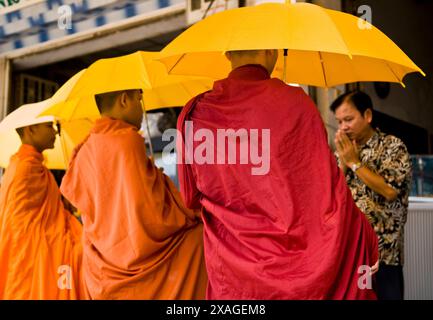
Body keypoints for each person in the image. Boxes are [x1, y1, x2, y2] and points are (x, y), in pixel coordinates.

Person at [177, 49, 379, 300]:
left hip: (234, 273)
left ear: (227, 54)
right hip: (303, 272)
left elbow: (189, 198)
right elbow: (327, 192)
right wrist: (365, 235)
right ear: (270, 51)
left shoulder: (196, 112)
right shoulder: (295, 102)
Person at [60, 89, 207, 299]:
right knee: (198, 239)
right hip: (139, 254)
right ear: (124, 100)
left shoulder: (84, 149)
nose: (141, 109)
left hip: (102, 263)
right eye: (138, 100)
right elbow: (154, 216)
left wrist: (154, 178)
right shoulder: (125, 141)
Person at [330, 91, 412, 300]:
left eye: (349, 119)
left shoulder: (392, 147)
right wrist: (343, 162)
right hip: (352, 253)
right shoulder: (342, 151)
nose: (343, 127)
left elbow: (390, 191)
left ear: (367, 115)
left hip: (385, 254)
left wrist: (354, 163)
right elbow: (333, 195)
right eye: (339, 122)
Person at [0, 121, 84, 299]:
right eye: (49, 126)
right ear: (31, 130)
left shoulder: (28, 164)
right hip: (29, 249)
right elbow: (22, 223)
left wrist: (61, 204)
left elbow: (46, 207)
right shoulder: (25, 167)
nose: (54, 131)